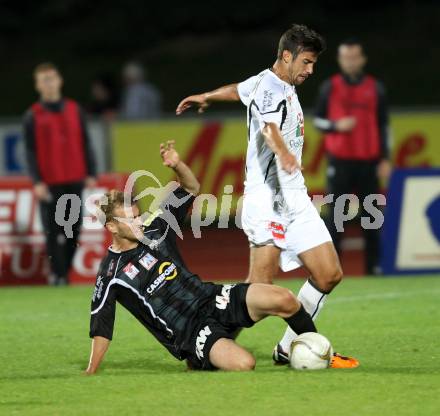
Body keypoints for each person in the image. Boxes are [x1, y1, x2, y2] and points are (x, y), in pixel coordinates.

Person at [176, 24, 358, 368]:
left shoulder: (267, 82)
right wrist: (283, 153)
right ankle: (208, 345)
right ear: (286, 56)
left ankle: (290, 347)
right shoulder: (272, 91)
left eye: (313, 64)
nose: (310, 70)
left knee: (328, 274)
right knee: (260, 286)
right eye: (306, 62)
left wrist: (207, 96)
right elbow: (269, 128)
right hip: (266, 199)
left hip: (295, 197)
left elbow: (238, 91)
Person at [85, 141, 319, 373]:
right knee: (245, 364)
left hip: (211, 297)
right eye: (130, 219)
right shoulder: (111, 275)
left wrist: (177, 165)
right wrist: (91, 371)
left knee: (285, 299)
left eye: (137, 215)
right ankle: (198, 360)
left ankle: (319, 349)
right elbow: (101, 327)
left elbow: (190, 188)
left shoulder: (156, 227)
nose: (138, 222)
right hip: (190, 330)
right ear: (112, 227)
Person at [313, 38, 391, 275]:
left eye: (354, 56)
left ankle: (374, 267)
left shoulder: (375, 88)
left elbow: (384, 126)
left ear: (362, 59)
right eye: (346, 57)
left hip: (369, 162)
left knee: (372, 217)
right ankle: (332, 269)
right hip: (341, 162)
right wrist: (336, 125)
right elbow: (317, 120)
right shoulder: (331, 87)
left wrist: (385, 158)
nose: (350, 61)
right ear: (340, 60)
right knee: (336, 218)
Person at [23, 62, 97, 286]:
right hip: (49, 182)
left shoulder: (75, 109)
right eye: (44, 79)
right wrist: (37, 181)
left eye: (52, 78)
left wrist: (91, 172)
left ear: (60, 81)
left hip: (74, 179)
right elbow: (29, 151)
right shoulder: (33, 115)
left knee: (73, 229)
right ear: (37, 85)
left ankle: (64, 271)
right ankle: (58, 276)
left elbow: (86, 142)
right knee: (51, 231)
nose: (49, 83)